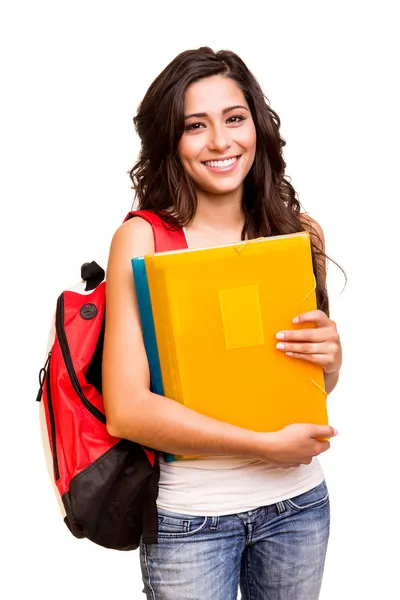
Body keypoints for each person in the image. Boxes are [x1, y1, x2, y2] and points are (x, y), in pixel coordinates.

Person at [102, 47, 342, 600]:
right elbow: (128, 408)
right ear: (170, 140)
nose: (220, 142)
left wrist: (331, 359)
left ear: (256, 124)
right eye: (195, 126)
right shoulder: (143, 241)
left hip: (300, 508)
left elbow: (305, 387)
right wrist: (262, 444)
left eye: (234, 119)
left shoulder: (297, 232)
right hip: (195, 521)